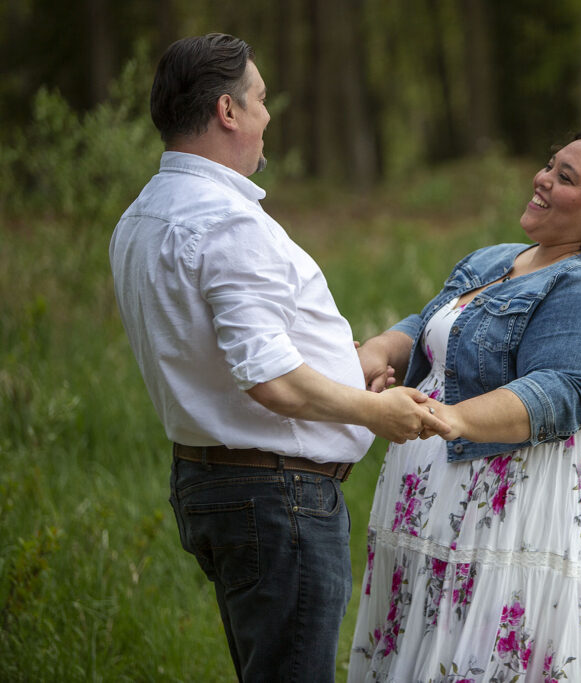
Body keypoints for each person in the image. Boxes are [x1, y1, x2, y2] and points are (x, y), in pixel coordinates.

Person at [109, 33, 448, 682]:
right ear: (227, 112)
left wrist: (343, 372)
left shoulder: (140, 217)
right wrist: (372, 409)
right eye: (260, 99)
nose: (268, 115)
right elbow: (266, 378)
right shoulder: (227, 221)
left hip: (215, 483)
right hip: (276, 495)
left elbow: (215, 353)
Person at [348, 127, 581, 682]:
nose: (542, 178)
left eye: (565, 177)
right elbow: (433, 329)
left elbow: (564, 392)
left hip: (516, 515)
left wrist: (447, 418)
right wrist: (378, 350)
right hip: (435, 506)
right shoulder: (499, 259)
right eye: (549, 164)